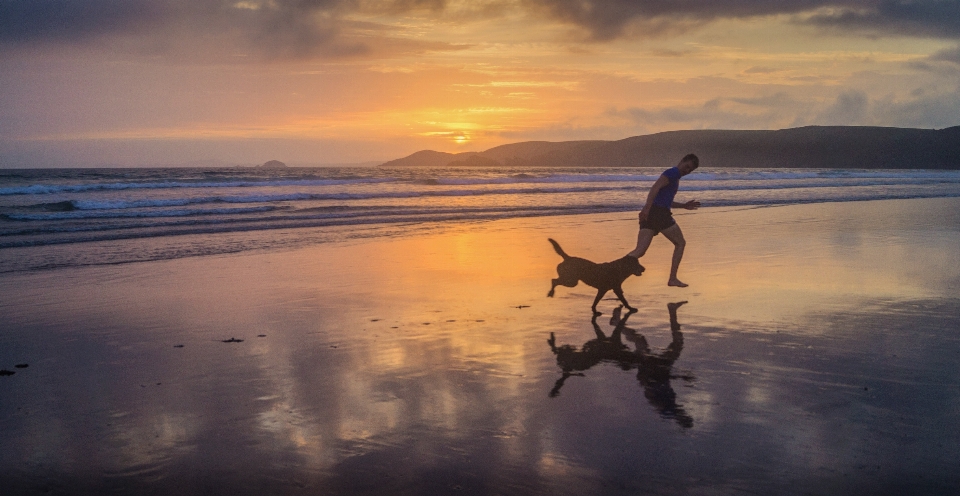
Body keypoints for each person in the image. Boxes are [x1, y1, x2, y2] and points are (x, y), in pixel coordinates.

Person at [627, 154, 700, 287]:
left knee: (640, 251)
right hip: (658, 214)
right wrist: (647, 209)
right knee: (680, 243)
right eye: (687, 166)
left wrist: (683, 205)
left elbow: (666, 200)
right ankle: (672, 278)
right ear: (681, 160)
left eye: (690, 170)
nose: (687, 171)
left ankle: (613, 271)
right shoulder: (672, 173)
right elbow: (654, 189)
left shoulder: (675, 177)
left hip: (652, 213)